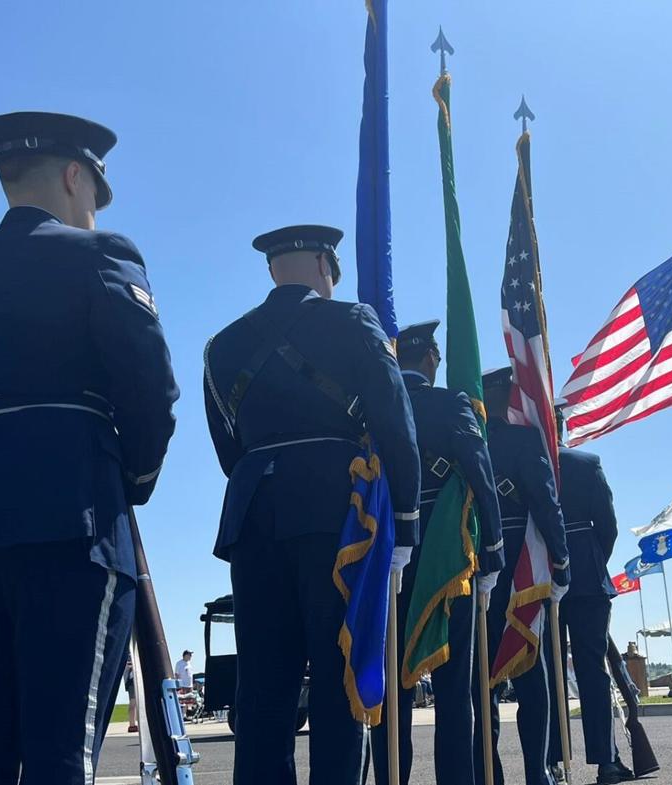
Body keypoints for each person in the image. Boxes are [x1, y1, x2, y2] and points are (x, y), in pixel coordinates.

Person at [0, 111, 179, 784]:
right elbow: (150, 390)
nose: (93, 207)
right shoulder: (101, 256)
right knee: (63, 741)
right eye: (94, 190)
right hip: (74, 512)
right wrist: (134, 478)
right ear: (73, 176)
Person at [202, 224, 421, 785]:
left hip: (253, 514)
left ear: (272, 270)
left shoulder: (222, 345)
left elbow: (230, 449)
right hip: (336, 512)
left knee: (263, 686)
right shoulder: (353, 321)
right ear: (326, 265)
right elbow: (396, 426)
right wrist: (404, 527)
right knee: (337, 676)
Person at [371, 319, 505, 785]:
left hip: (384, 554)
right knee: (454, 693)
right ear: (431, 358)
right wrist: (492, 552)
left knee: (391, 688)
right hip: (449, 558)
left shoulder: (374, 406)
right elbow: (480, 474)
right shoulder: (452, 403)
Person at [472, 367, 570, 785]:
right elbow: (548, 506)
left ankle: (487, 773)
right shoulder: (527, 440)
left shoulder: (472, 438)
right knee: (533, 673)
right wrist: (562, 564)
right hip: (523, 568)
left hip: (478, 564)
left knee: (483, 681)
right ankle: (538, 773)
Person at [546, 405, 631, 785]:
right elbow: (608, 527)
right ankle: (606, 761)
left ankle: (550, 760)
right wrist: (591, 561)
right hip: (586, 578)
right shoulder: (586, 462)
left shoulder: (524, 460)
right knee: (592, 670)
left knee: (546, 674)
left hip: (541, 578)